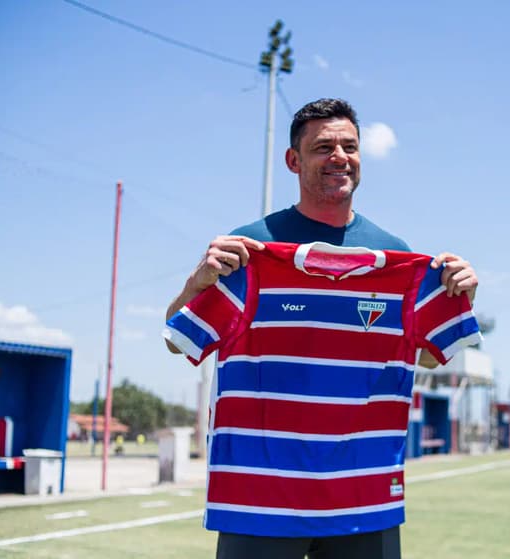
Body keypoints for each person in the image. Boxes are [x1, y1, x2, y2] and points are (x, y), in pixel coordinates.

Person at [165, 98, 478, 559]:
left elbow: (428, 356)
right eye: (323, 147)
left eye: (349, 146)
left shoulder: (398, 258)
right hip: (258, 500)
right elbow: (178, 341)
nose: (339, 157)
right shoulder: (250, 252)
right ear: (293, 160)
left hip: (363, 499)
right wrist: (196, 282)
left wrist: (461, 297)